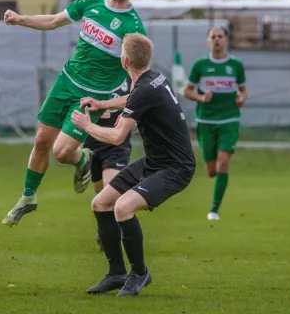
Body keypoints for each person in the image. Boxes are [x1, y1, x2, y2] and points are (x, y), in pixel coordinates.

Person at [1, 0, 147, 227]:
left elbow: (137, 74)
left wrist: (125, 108)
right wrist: (20, 19)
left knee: (61, 153)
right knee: (41, 140)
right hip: (65, 82)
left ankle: (84, 158)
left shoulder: (132, 27)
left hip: (92, 97)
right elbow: (54, 21)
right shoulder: (90, 4)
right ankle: (28, 197)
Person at [71, 33, 196, 297]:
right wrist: (104, 104)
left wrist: (88, 126)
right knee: (100, 203)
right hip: (155, 161)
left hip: (175, 168)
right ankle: (116, 272)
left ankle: (139, 273)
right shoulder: (153, 79)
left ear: (124, 60)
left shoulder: (144, 89)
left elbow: (117, 137)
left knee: (123, 207)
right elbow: (135, 100)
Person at [183, 26, 247, 221]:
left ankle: (214, 209)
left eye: (220, 37)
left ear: (226, 41)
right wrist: (202, 98)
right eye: (213, 37)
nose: (217, 40)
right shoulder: (200, 65)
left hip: (229, 120)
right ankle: (214, 181)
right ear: (208, 41)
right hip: (206, 121)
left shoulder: (236, 65)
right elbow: (187, 91)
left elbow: (244, 90)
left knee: (223, 162)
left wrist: (241, 98)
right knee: (212, 170)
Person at [84, 77, 133, 250]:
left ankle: (109, 235)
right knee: (99, 190)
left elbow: (138, 99)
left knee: (111, 189)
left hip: (116, 143)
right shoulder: (88, 73)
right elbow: (74, 103)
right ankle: (105, 225)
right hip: (91, 140)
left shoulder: (129, 74)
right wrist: (90, 112)